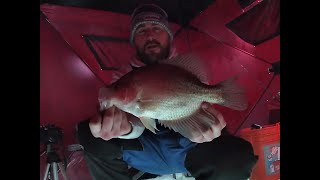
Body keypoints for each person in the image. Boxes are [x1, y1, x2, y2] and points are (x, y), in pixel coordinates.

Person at [77, 3, 258, 180]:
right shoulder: (123, 76)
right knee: (90, 134)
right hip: (145, 151)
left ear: (169, 35)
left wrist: (208, 127)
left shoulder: (184, 70)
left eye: (157, 28)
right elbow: (135, 121)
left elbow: (199, 109)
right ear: (134, 40)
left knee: (235, 156)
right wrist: (123, 129)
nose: (149, 35)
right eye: (141, 31)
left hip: (189, 147)